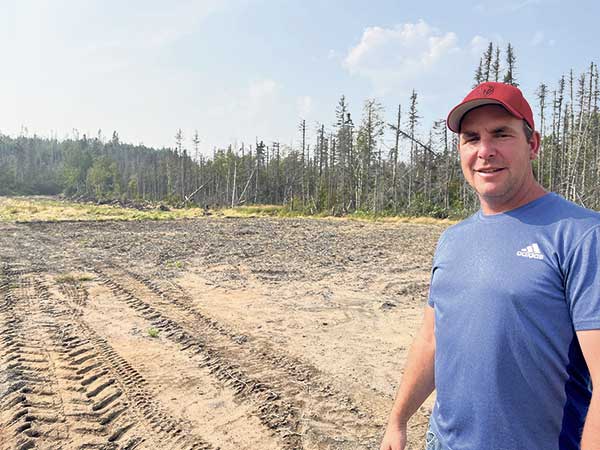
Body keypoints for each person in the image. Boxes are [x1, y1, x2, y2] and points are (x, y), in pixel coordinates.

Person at [380, 81, 600, 450]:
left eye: (501, 134)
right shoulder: (453, 239)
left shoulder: (581, 235)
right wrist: (398, 421)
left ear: (533, 145)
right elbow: (431, 340)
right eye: (471, 138)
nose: (485, 151)